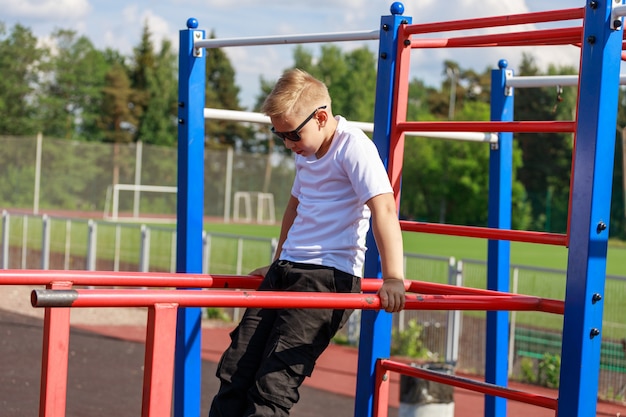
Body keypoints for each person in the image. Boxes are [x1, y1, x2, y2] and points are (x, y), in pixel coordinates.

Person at [208, 68, 406, 417]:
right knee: (236, 368)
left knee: (272, 386)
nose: (287, 144)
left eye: (292, 135)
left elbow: (384, 208)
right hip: (286, 270)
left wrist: (392, 276)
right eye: (278, 134)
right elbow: (294, 207)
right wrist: (277, 260)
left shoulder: (353, 147)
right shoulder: (305, 153)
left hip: (327, 279)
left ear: (321, 117)